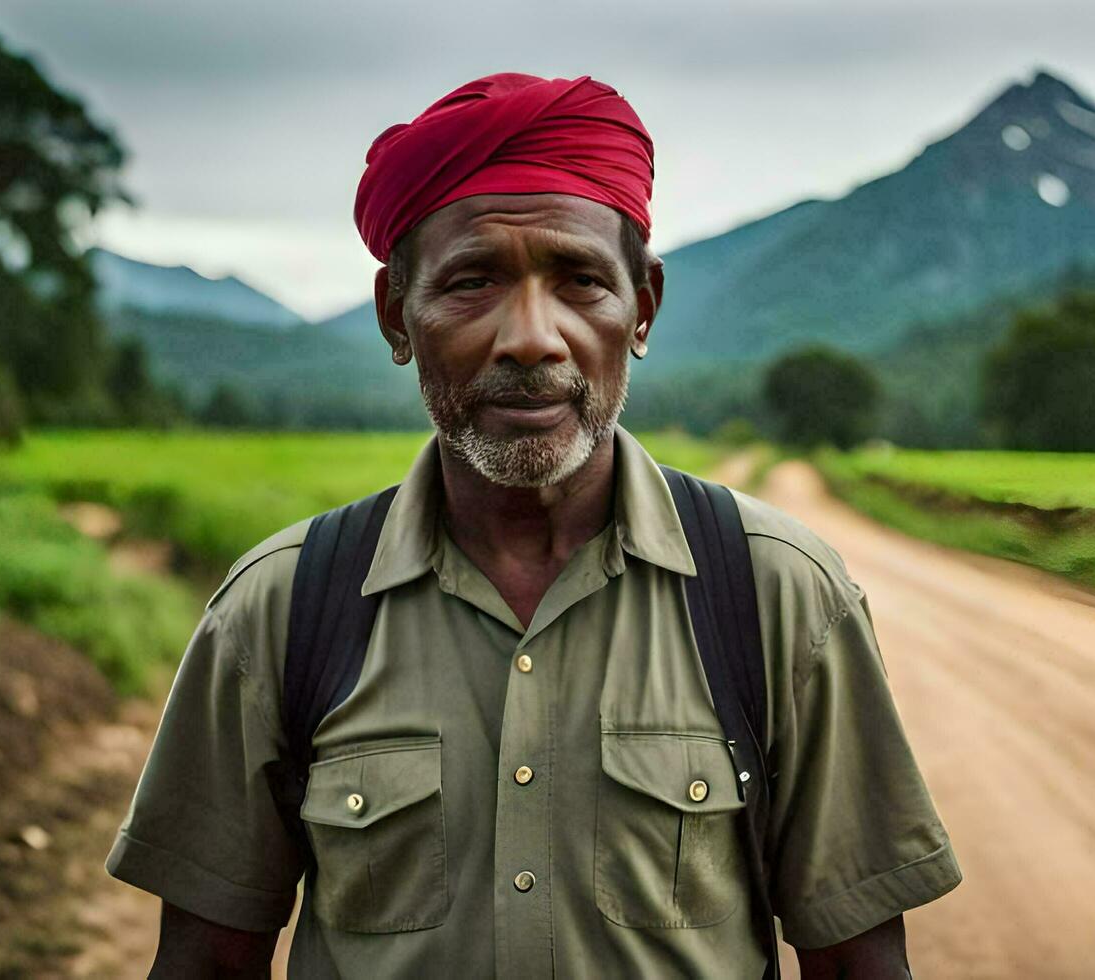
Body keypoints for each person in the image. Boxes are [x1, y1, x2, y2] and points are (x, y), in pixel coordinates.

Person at [106, 72, 962, 979]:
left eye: (581, 282)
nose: (531, 339)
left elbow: (860, 961)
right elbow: (202, 960)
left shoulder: (777, 593)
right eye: (473, 282)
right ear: (399, 316)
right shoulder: (280, 611)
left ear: (643, 309)